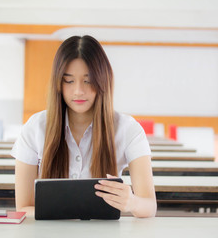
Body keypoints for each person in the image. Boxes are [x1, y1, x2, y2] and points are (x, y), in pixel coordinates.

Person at [11, 35, 157, 218]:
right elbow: (23, 208)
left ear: (102, 80)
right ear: (58, 83)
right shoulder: (35, 128)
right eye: (69, 81)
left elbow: (150, 207)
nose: (78, 90)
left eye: (87, 80)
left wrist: (131, 202)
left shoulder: (128, 129)